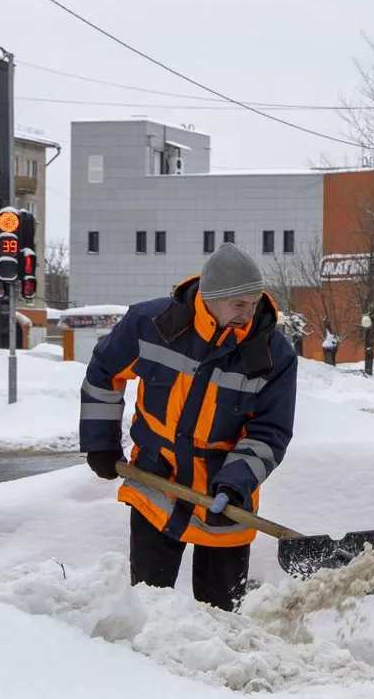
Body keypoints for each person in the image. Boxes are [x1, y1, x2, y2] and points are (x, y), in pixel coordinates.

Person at [79, 243, 298, 613]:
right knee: (147, 608)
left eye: (255, 301)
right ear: (210, 298)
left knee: (220, 620)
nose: (250, 313)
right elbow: (103, 373)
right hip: (156, 486)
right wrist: (100, 442)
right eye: (239, 304)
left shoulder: (273, 354)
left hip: (225, 501)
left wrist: (235, 482)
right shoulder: (151, 325)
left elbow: (269, 432)